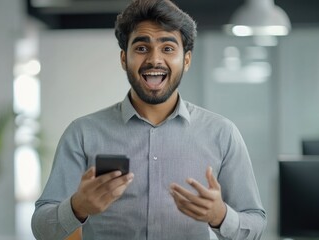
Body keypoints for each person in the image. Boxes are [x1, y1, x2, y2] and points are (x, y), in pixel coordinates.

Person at [31, 0, 266, 239]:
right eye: (142, 48)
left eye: (168, 48)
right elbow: (41, 228)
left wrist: (221, 216)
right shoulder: (82, 133)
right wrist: (77, 207)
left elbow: (255, 223)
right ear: (124, 59)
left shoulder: (222, 133)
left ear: (186, 60)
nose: (155, 60)